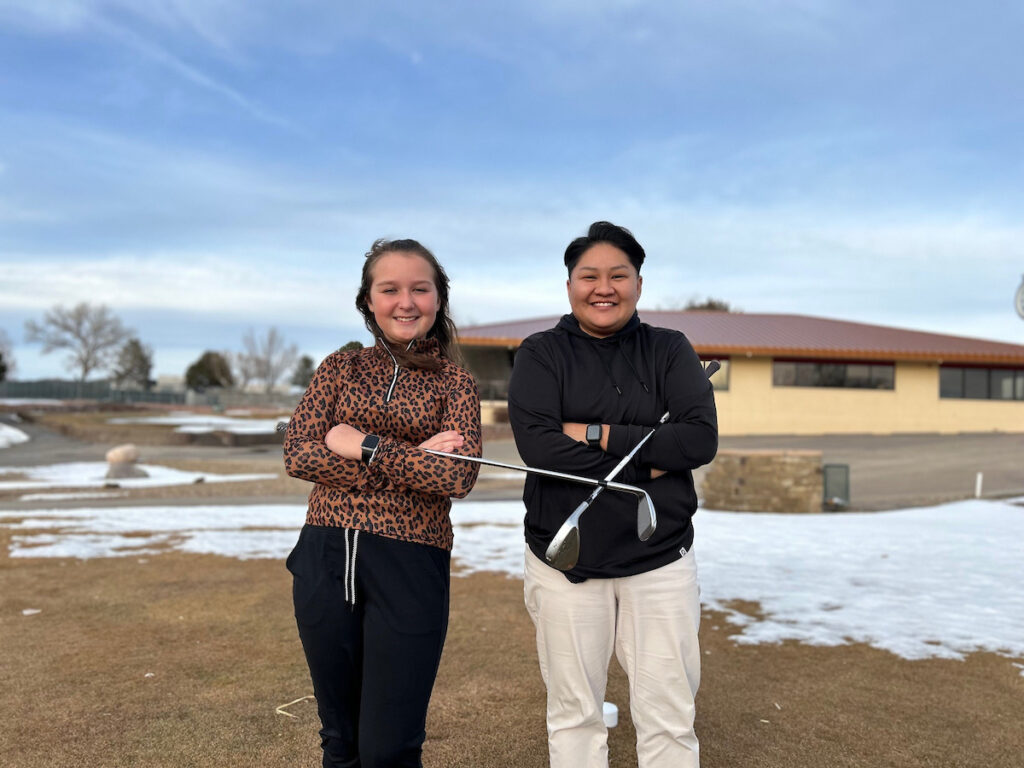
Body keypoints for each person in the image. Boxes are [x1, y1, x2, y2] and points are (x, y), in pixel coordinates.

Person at [508, 221, 718, 768]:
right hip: (564, 561)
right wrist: (651, 459)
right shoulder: (540, 353)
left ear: (639, 284)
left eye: (618, 276)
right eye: (589, 276)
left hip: (660, 558)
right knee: (575, 713)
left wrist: (593, 433)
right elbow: (541, 449)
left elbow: (698, 440)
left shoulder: (670, 349)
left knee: (669, 713)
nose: (604, 288)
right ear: (569, 285)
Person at [283, 238, 481, 768]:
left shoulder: (456, 384)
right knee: (340, 741)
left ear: (438, 298)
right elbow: (299, 454)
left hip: (412, 564)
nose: (406, 302)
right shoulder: (339, 368)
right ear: (368, 300)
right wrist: (414, 459)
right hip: (324, 558)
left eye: (420, 289)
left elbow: (458, 476)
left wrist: (363, 445)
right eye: (390, 289)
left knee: (388, 748)